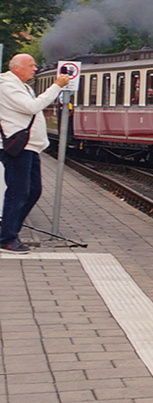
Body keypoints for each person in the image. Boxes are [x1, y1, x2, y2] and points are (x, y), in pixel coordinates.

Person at [0, 54, 70, 254]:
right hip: (18, 148)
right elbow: (32, 107)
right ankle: (7, 238)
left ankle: (9, 232)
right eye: (30, 66)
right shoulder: (7, 86)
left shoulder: (23, 87)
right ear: (16, 68)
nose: (34, 69)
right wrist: (56, 85)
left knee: (32, 191)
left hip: (29, 147)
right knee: (18, 192)